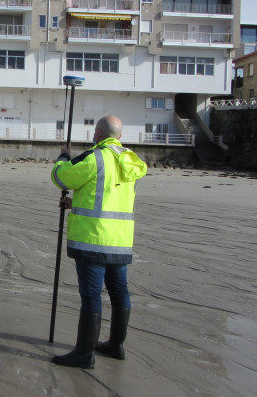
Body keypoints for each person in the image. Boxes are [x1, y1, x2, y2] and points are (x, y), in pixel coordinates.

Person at [50, 116, 147, 369]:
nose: (93, 135)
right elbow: (108, 197)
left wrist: (63, 157)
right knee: (119, 292)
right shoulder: (130, 161)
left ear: (100, 133)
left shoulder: (96, 158)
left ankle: (84, 354)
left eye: (95, 131)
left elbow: (62, 178)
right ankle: (116, 345)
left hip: (94, 238)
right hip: (121, 239)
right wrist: (75, 203)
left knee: (91, 296)